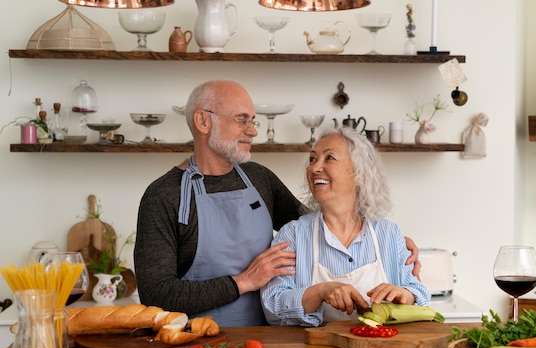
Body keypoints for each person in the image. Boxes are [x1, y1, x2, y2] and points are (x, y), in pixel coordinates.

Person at [134, 80, 420, 327]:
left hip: (264, 342)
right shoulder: (163, 196)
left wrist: (385, 239)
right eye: (242, 119)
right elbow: (156, 294)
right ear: (203, 121)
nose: (253, 131)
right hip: (188, 341)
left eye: (253, 121)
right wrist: (244, 281)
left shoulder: (259, 179)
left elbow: (318, 226)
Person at [261, 127, 431, 327]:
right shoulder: (293, 235)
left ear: (359, 172)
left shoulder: (388, 233)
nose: (315, 168)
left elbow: (420, 294)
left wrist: (405, 295)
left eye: (329, 157)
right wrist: (320, 292)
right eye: (312, 159)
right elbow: (272, 306)